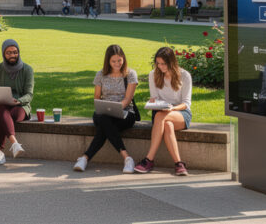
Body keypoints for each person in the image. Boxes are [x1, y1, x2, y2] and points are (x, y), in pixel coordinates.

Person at [73, 44, 139, 173]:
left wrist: (118, 107)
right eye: (113, 61)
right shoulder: (100, 74)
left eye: (119, 60)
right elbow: (97, 97)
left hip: (125, 112)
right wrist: (107, 108)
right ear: (108, 61)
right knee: (104, 120)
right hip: (104, 112)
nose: (117, 63)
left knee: (104, 126)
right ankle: (127, 158)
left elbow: (128, 98)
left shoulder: (130, 74)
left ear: (123, 59)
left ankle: (85, 158)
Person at [134, 46, 193, 176]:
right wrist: (152, 103)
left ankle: (148, 159)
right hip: (161, 112)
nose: (160, 67)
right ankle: (179, 164)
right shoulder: (153, 74)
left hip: (180, 113)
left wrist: (172, 108)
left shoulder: (184, 76)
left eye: (163, 64)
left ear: (171, 62)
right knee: (166, 124)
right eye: (158, 63)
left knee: (162, 117)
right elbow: (155, 98)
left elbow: (186, 104)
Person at [0, 39, 33, 165]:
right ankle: (14, 144)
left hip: (20, 107)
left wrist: (18, 101)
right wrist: (4, 100)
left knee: (2, 116)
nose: (12, 55)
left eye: (15, 52)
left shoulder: (27, 69)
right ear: (3, 53)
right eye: (8, 53)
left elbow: (29, 95)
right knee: (2, 109)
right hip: (0, 105)